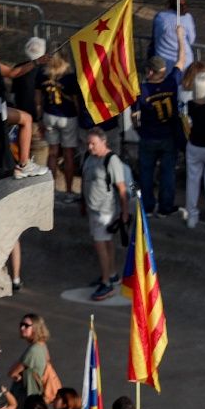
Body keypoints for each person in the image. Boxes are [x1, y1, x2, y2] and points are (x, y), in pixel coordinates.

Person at [81, 129, 134, 301]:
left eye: (93, 143)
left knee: (101, 246)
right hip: (93, 209)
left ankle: (106, 284)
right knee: (107, 243)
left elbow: (122, 189)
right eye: (88, 143)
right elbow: (85, 181)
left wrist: (124, 213)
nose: (90, 147)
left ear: (104, 142)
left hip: (105, 211)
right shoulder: (89, 157)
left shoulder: (112, 160)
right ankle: (112, 275)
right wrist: (83, 203)